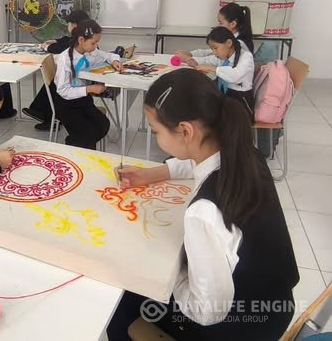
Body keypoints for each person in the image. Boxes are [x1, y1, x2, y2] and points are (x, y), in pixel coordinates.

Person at [108, 68, 299, 341]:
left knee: (123, 300)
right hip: (275, 306)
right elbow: (197, 161)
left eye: (156, 131)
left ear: (186, 131)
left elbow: (207, 312)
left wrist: (167, 272)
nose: (156, 137)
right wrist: (152, 174)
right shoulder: (245, 152)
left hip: (238, 327)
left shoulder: (203, 213)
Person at [54, 19, 122, 149]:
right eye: (93, 43)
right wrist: (89, 89)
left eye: (97, 43)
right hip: (65, 103)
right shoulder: (65, 58)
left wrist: (115, 61)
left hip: (83, 99)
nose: (96, 46)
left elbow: (108, 56)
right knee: (88, 135)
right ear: (81, 40)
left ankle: (74, 142)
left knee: (103, 124)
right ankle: (76, 145)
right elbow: (63, 90)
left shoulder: (90, 52)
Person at [22, 9, 91, 130]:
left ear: (74, 25)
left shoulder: (79, 40)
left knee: (54, 82)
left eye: (69, 24)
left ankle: (47, 116)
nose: (68, 27)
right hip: (78, 76)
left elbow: (62, 48)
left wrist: (47, 47)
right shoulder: (85, 35)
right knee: (53, 80)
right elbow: (66, 40)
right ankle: (42, 113)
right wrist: (55, 41)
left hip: (77, 81)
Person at [183, 26, 255, 119]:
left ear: (229, 43)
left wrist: (213, 69)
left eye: (215, 48)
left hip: (241, 103)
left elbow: (235, 76)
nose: (214, 52)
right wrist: (192, 61)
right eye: (212, 49)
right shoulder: (224, 56)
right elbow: (208, 60)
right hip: (226, 96)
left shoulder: (246, 56)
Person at [176, 3, 254, 58]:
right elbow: (210, 52)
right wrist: (191, 54)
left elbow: (214, 58)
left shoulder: (239, 44)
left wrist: (190, 58)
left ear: (233, 24)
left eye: (221, 23)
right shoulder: (231, 39)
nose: (218, 26)